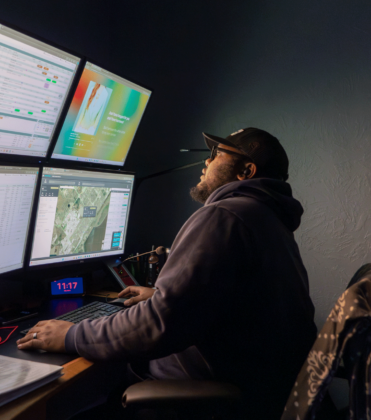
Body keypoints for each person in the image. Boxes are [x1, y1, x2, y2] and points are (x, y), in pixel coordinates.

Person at [18, 127, 317, 419]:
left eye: (216, 153)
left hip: (198, 399)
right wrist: (160, 295)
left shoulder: (224, 216)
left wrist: (71, 335)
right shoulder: (266, 218)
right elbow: (240, 303)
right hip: (257, 390)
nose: (206, 161)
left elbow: (158, 324)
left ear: (246, 171)